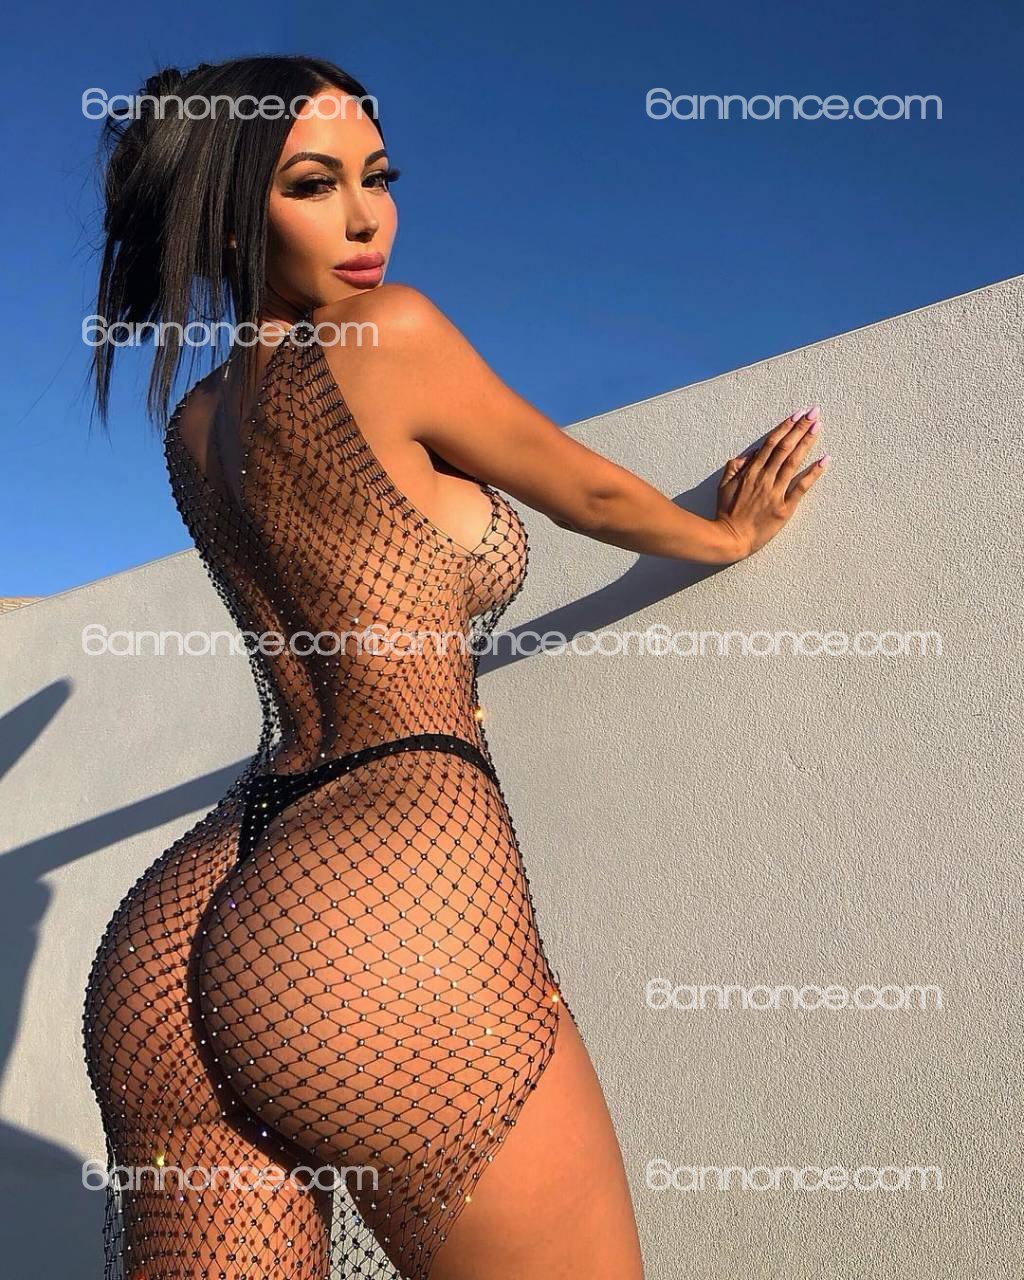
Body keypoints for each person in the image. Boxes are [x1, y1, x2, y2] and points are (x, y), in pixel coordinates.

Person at [82, 53, 827, 1280]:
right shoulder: (392, 335)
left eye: (378, 177)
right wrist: (724, 534)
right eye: (313, 185)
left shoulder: (194, 424)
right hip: (382, 873)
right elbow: (585, 490)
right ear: (227, 220)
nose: (365, 218)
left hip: (187, 912)